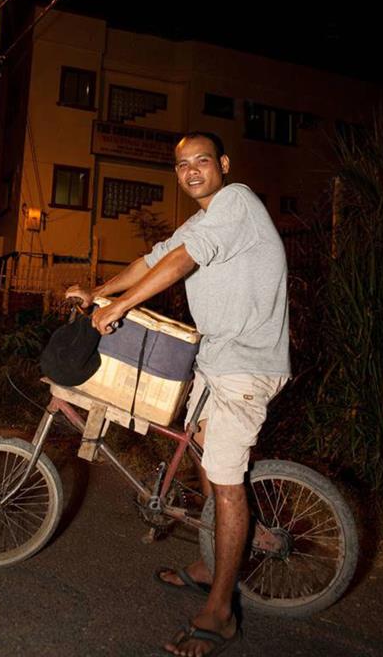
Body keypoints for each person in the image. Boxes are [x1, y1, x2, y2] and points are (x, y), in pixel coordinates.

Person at [65, 131, 290, 657]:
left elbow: (183, 261)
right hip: (215, 359)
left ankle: (220, 614)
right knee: (206, 463)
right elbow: (153, 259)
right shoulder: (204, 218)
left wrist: (120, 308)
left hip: (247, 365)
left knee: (228, 480)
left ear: (223, 164)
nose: (191, 171)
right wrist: (98, 292)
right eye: (182, 164)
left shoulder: (237, 202)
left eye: (202, 161)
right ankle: (211, 561)